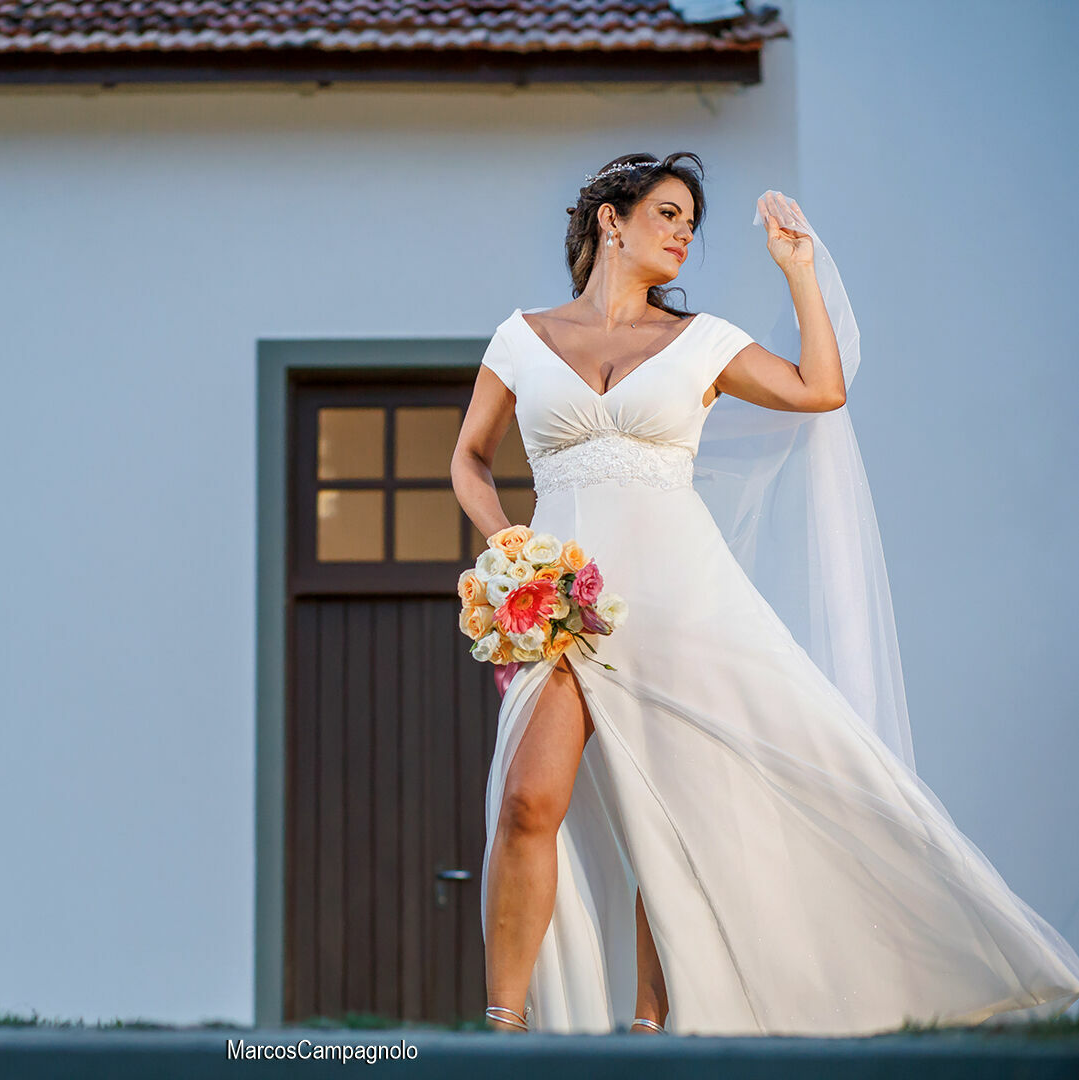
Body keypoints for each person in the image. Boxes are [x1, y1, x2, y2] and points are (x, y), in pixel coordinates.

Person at [449, 152, 1079, 1036]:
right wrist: (507, 546)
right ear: (609, 221)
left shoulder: (701, 341)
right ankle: (501, 1027)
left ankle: (648, 1030)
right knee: (526, 804)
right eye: (666, 212)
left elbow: (819, 389)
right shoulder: (520, 338)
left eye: (690, 222)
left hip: (679, 596)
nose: (682, 232)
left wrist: (800, 273)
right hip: (561, 607)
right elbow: (468, 459)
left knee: (675, 816)